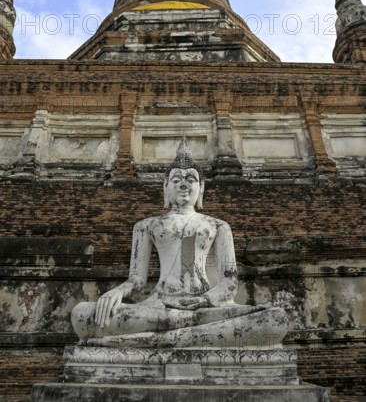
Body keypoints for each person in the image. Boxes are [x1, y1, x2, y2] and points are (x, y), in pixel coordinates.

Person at [72, 140, 289, 348]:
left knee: (275, 318)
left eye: (191, 179)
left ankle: (152, 339)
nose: (184, 184)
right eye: (176, 180)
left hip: (205, 307)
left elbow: (230, 283)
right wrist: (117, 292)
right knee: (82, 314)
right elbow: (137, 280)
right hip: (160, 306)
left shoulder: (218, 226)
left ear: (201, 188)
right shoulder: (146, 226)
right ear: (165, 187)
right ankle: (193, 336)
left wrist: (203, 301)